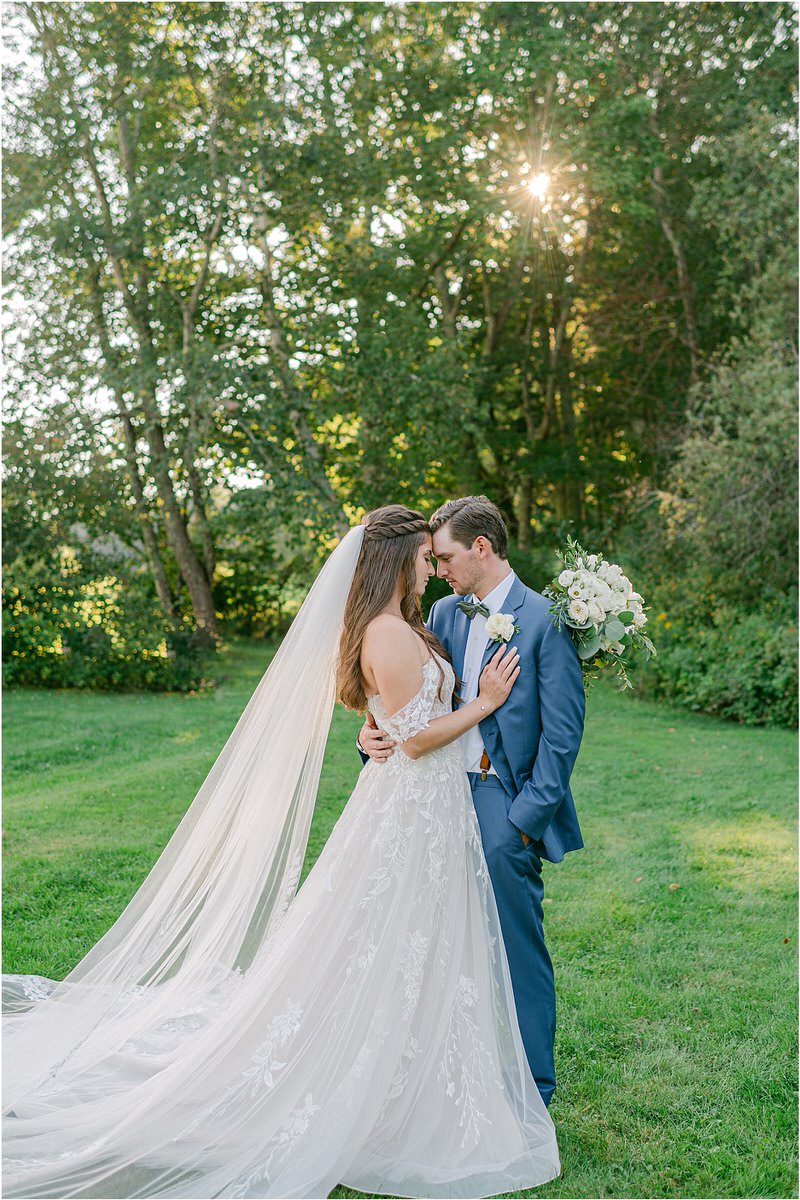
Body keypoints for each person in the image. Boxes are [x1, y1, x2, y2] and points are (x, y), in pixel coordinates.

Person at [3, 505, 560, 1200]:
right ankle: (371, 1078)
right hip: (409, 817)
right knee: (381, 944)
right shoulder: (390, 632)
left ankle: (418, 1068)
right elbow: (414, 736)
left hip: (433, 815)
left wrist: (374, 727)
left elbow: (394, 714)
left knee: (417, 945)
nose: (432, 568)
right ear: (396, 562)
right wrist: (479, 704)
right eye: (423, 556)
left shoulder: (416, 624)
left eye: (435, 556)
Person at [359, 496, 585, 1108]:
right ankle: (444, 1071)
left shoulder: (544, 620)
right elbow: (410, 698)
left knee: (514, 940)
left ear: (480, 548)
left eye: (447, 556)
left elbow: (562, 736)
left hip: (498, 802)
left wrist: (523, 822)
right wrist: (371, 732)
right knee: (434, 940)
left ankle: (533, 1085)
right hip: (429, 800)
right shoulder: (443, 612)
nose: (438, 567)